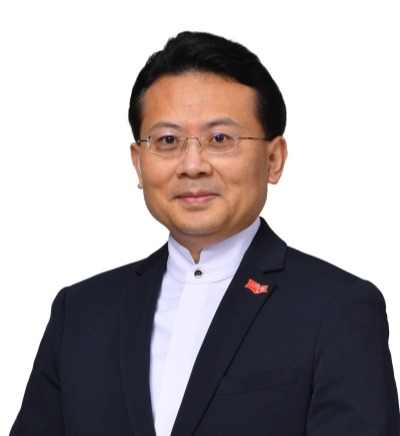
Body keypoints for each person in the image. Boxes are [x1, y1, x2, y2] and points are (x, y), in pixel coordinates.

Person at [10, 30, 399, 436]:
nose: (192, 165)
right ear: (138, 163)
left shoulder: (337, 308)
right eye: (168, 140)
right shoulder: (80, 313)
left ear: (273, 159)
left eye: (219, 139)